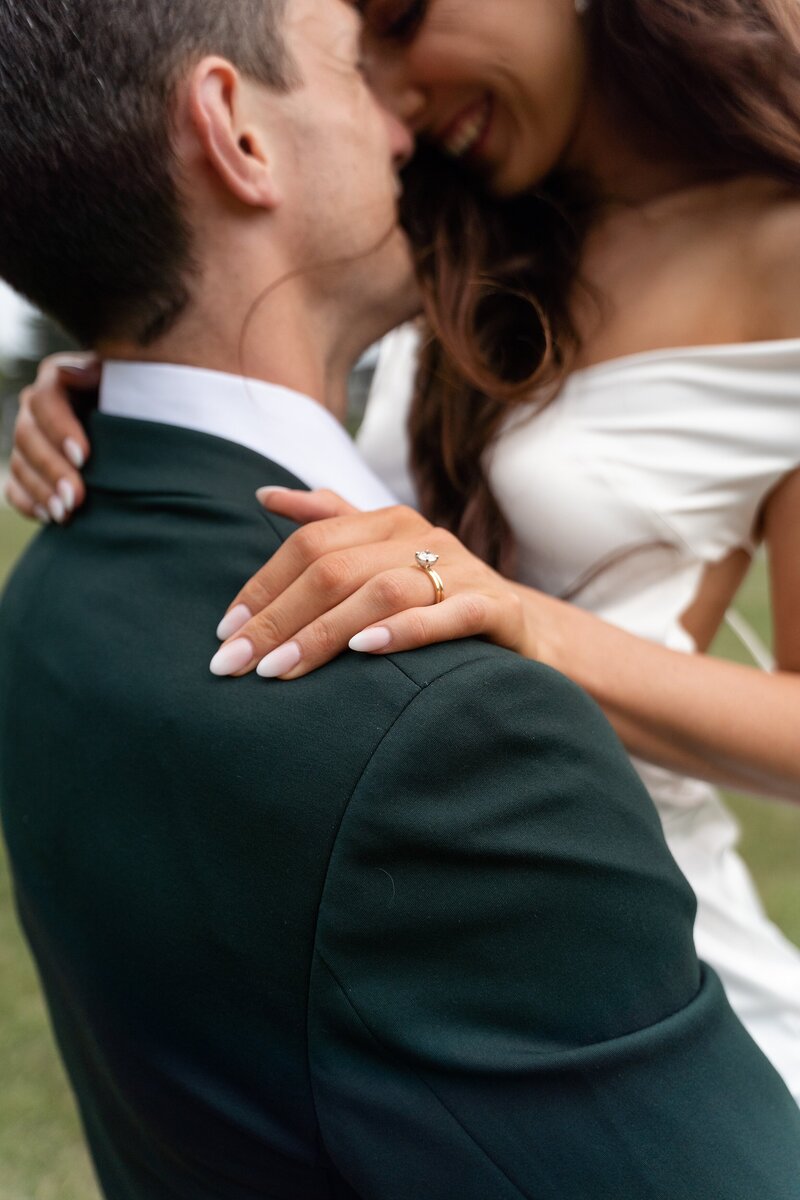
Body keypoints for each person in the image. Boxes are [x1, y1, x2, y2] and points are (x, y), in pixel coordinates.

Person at [5, 0, 800, 1196]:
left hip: (634, 938)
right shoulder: (435, 210)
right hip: (406, 843)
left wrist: (526, 629)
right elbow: (261, 339)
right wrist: (125, 364)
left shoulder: (780, 256)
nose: (392, 95)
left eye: (400, 18)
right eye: (356, 51)